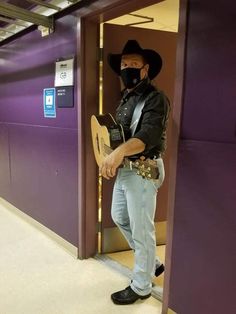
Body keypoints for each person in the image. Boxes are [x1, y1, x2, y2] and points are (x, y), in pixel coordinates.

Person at [100, 40, 170, 305]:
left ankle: (141, 285)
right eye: (124, 64)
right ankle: (152, 262)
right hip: (126, 170)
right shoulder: (126, 99)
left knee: (142, 230)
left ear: (145, 69)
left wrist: (117, 154)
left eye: (133, 64)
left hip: (143, 170)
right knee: (119, 216)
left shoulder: (156, 98)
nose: (127, 68)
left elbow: (147, 136)